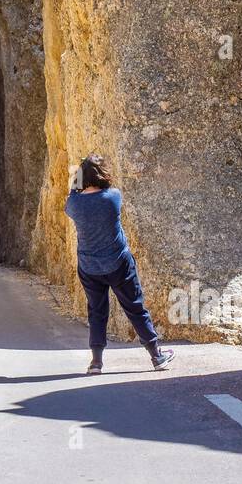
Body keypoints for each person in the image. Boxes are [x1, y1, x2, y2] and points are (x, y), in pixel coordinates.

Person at [64, 154, 174, 375]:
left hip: (89, 266)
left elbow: (72, 195)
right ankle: (156, 356)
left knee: (97, 312)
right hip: (118, 263)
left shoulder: (74, 204)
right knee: (135, 308)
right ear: (103, 174)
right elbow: (108, 189)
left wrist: (76, 179)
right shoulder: (113, 197)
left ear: (82, 177)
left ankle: (96, 363)